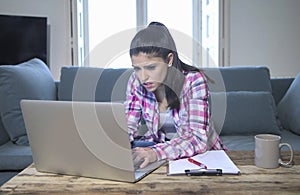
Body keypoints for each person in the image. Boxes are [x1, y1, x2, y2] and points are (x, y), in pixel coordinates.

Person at [125, 22, 226, 169]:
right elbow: (129, 124)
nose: (143, 77)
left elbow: (198, 139)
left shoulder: (193, 81)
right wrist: (116, 145)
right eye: (137, 69)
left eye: (151, 67)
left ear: (169, 60)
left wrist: (155, 153)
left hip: (200, 158)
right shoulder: (135, 81)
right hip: (162, 152)